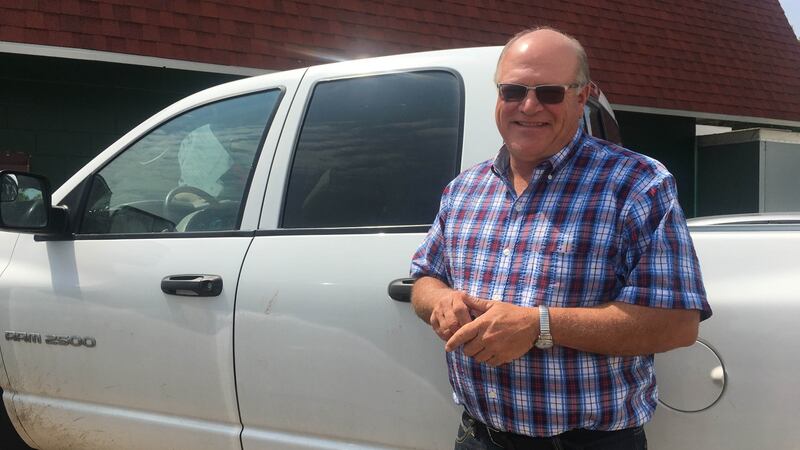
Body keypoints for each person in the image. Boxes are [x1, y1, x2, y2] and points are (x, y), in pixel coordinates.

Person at [410, 27, 712, 450]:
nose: (528, 105)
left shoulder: (636, 184)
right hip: (478, 436)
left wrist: (539, 326)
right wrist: (441, 302)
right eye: (513, 90)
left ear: (581, 96)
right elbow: (424, 277)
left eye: (549, 92)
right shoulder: (465, 188)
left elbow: (677, 322)